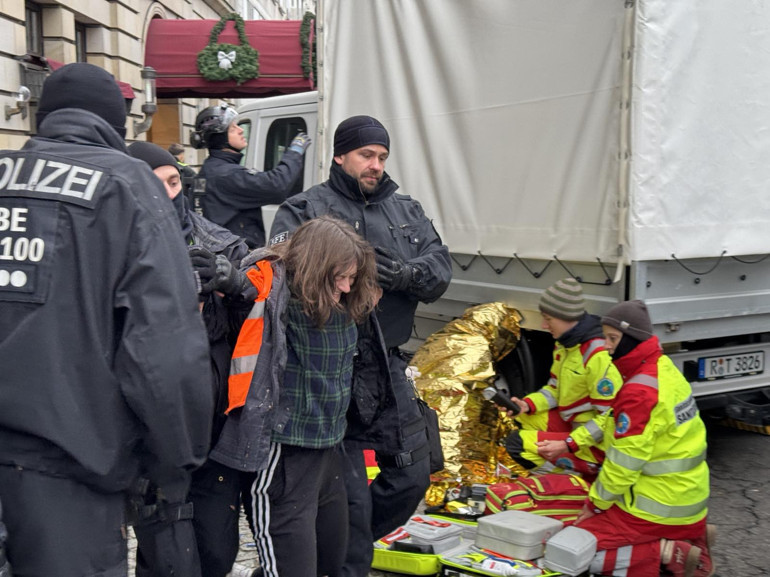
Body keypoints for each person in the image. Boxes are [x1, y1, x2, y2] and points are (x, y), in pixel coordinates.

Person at [0, 62, 212, 577]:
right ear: (116, 127)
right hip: (69, 468)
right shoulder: (125, 185)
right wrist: (176, 465)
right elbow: (164, 349)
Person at [268, 115, 453, 576]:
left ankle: (335, 541)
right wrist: (350, 285)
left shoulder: (405, 210)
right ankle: (341, 556)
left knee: (413, 475)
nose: (375, 164)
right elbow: (279, 278)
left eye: (382, 156)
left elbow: (441, 269)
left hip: (387, 365)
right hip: (329, 369)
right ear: (340, 155)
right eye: (366, 155)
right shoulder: (304, 208)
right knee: (347, 494)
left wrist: (407, 275)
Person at [210, 215, 381, 577]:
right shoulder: (278, 290)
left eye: (353, 277)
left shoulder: (346, 303)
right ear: (315, 267)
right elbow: (248, 288)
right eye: (340, 277)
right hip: (282, 454)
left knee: (333, 561)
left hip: (328, 451)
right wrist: (230, 279)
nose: (347, 287)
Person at [128, 141, 255, 577]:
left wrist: (234, 284)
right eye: (154, 183)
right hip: (154, 430)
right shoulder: (118, 240)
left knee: (217, 550)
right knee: (166, 555)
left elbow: (261, 320)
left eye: (174, 181)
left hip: (216, 425)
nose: (168, 193)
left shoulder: (219, 241)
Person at [547, 300, 713, 577]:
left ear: (633, 338)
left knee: (569, 550)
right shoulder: (661, 369)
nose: (607, 346)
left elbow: (624, 465)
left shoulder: (638, 391)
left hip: (656, 507)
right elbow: (611, 418)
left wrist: (594, 505)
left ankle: (667, 552)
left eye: (613, 338)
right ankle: (692, 537)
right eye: (605, 338)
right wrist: (571, 443)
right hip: (689, 498)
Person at [503, 278, 622, 479]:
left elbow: (610, 419)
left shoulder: (597, 355)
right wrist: (526, 405)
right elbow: (555, 389)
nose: (543, 325)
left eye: (548, 319)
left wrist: (569, 443)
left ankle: (573, 482)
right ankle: (567, 472)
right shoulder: (566, 345)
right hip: (577, 426)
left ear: (566, 317)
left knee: (517, 444)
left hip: (596, 442)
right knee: (521, 416)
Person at [191, 104, 311, 247]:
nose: (241, 130)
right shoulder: (226, 175)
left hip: (223, 256)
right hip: (235, 260)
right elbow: (276, 186)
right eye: (233, 128)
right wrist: (294, 153)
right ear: (220, 138)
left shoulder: (209, 171)